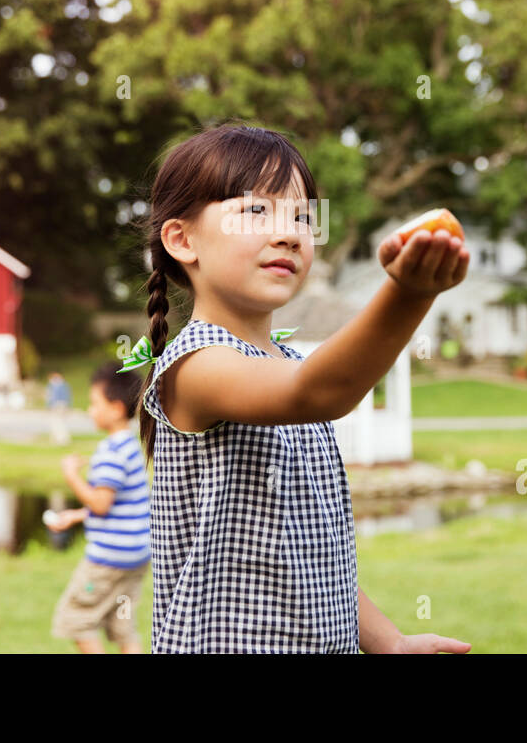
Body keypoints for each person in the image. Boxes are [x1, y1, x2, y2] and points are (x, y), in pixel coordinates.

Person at [127, 121, 473, 654]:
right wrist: (407, 294)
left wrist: (390, 643)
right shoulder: (198, 366)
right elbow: (319, 393)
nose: (289, 231)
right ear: (181, 239)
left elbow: (314, 555)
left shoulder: (285, 360)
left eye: (302, 217)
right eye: (256, 210)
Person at [46, 361, 150, 653]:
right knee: (122, 626)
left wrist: (71, 476)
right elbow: (119, 505)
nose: (90, 410)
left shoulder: (109, 451)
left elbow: (101, 504)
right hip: (136, 556)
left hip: (108, 560)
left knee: (76, 618)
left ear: (116, 408)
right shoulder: (131, 446)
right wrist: (75, 516)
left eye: (94, 403)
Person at [45, 371, 72, 445]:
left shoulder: (60, 386)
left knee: (60, 422)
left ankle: (62, 439)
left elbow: (52, 397)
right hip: (57, 406)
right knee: (56, 422)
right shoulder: (55, 385)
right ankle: (58, 438)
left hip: (59, 405)